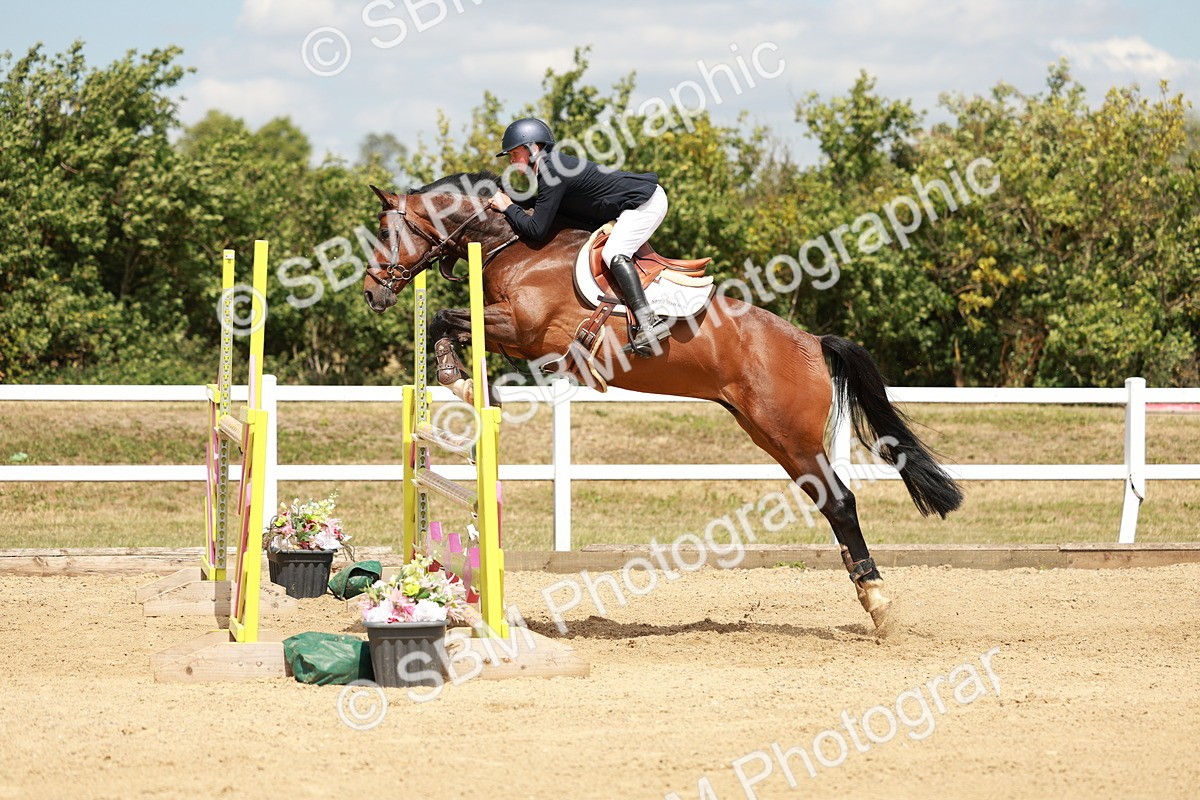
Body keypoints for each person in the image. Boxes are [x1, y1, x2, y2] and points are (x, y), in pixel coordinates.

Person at [488, 117, 672, 355]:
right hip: (632, 204)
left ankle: (650, 324)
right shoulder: (548, 167)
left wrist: (507, 207)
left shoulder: (550, 169)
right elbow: (541, 206)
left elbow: (536, 229)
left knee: (614, 253)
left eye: (514, 153)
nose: (511, 160)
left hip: (645, 202)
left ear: (532, 148)